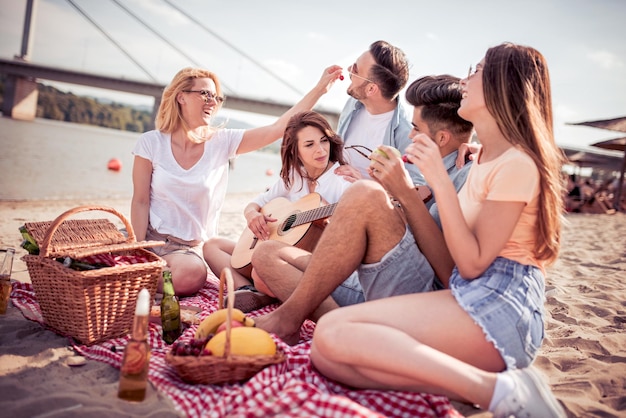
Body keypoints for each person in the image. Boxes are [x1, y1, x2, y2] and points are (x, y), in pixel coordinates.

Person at [310, 43, 566, 417]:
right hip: (467, 294)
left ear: (501, 85)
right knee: (329, 355)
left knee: (332, 333)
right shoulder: (485, 159)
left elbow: (472, 266)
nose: (465, 79)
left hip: (500, 307)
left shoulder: (517, 164)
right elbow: (455, 269)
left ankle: (501, 391)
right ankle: (472, 382)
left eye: (476, 71)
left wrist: (438, 181)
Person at [252, 74, 474, 335]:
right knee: (264, 253)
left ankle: (291, 317)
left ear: (442, 139)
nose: (410, 135)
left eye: (416, 128)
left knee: (363, 192)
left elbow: (451, 275)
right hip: (382, 275)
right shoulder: (437, 172)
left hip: (418, 294)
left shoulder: (466, 177)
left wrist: (402, 194)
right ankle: (341, 325)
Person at [131, 66, 338, 296]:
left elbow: (277, 128)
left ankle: (134, 280)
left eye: (216, 97)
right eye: (205, 94)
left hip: (186, 252)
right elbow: (140, 201)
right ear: (181, 97)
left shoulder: (222, 142)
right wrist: (138, 251)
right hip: (150, 241)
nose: (212, 101)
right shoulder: (151, 143)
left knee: (192, 275)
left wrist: (321, 89)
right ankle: (137, 273)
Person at [203, 111, 352, 310]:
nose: (321, 150)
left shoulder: (343, 180)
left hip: (307, 262)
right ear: (296, 151)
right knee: (212, 246)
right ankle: (247, 289)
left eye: (324, 141)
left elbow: (351, 233)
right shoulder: (293, 176)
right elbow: (254, 204)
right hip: (271, 250)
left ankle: (263, 291)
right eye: (309, 144)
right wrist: (253, 215)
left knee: (260, 272)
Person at [330, 40, 424, 185]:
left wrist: (364, 185)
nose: (349, 69)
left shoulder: (406, 135)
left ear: (371, 89)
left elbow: (417, 189)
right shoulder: (353, 105)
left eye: (355, 69)